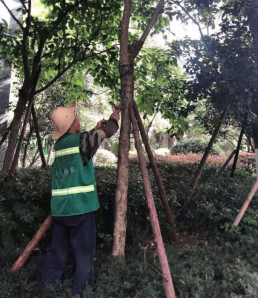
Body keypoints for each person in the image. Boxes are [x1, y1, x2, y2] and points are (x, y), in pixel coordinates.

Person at [40, 101, 120, 297]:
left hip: (60, 210)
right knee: (84, 256)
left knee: (57, 255)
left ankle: (46, 292)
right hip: (81, 209)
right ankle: (81, 294)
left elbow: (85, 149)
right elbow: (108, 131)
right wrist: (114, 118)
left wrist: (95, 129)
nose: (78, 119)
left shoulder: (60, 144)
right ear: (72, 125)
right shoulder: (81, 140)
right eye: (76, 117)